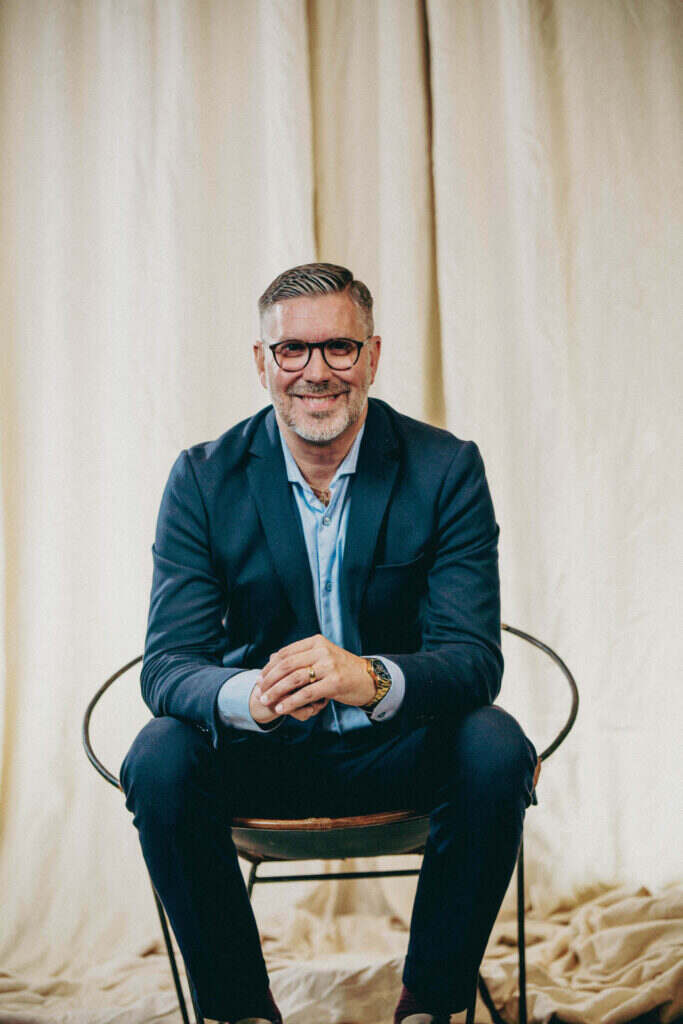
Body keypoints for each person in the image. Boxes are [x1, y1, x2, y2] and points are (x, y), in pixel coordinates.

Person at [120, 263, 538, 1024]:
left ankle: (429, 1005)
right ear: (262, 362)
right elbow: (168, 666)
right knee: (157, 755)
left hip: (400, 757)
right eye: (293, 350)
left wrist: (369, 678)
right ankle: (241, 1010)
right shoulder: (202, 479)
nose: (316, 371)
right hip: (261, 763)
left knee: (495, 743)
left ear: (371, 356)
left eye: (339, 348)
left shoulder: (446, 468)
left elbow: (475, 659)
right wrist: (251, 696)